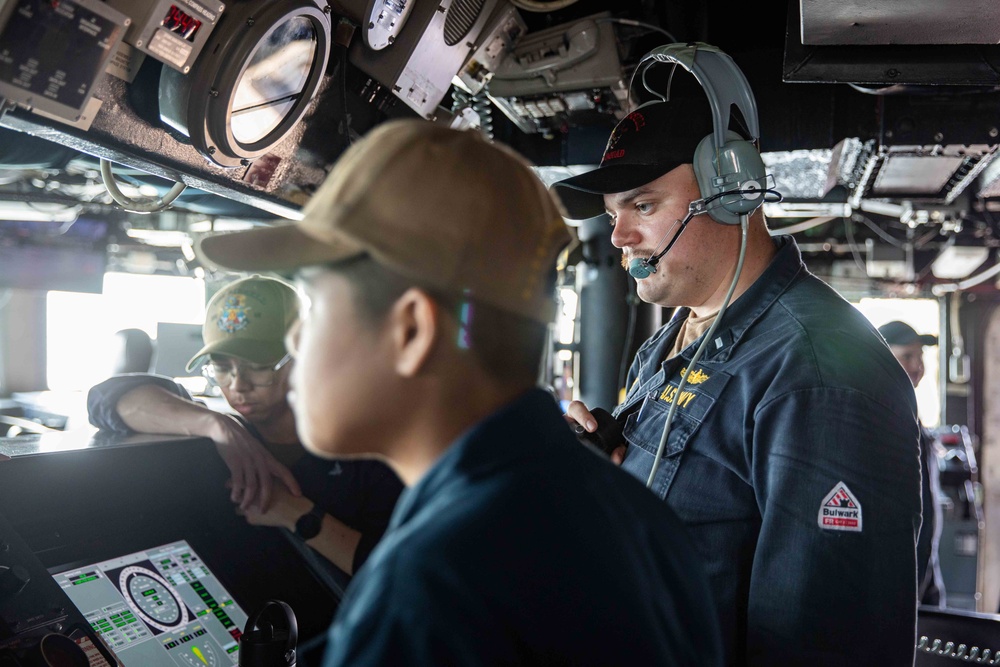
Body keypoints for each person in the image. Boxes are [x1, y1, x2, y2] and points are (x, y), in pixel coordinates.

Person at [195, 120, 724, 666]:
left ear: (411, 332)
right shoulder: (635, 516)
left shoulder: (432, 585)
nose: (295, 339)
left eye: (313, 306)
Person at [552, 96, 922, 665]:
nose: (620, 235)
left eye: (643, 205)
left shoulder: (818, 372)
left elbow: (822, 647)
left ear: (734, 194)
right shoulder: (672, 340)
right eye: (611, 216)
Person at [88, 276, 403, 577]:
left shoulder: (366, 449)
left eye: (259, 367)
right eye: (222, 368)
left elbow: (404, 575)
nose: (238, 385)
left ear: (303, 354)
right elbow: (106, 398)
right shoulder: (222, 432)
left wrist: (295, 513)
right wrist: (216, 423)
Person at [879, 319, 946, 605]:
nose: (918, 366)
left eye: (921, 356)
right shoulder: (882, 418)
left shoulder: (910, 414)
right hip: (900, 579)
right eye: (907, 356)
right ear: (882, 360)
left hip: (924, 568)